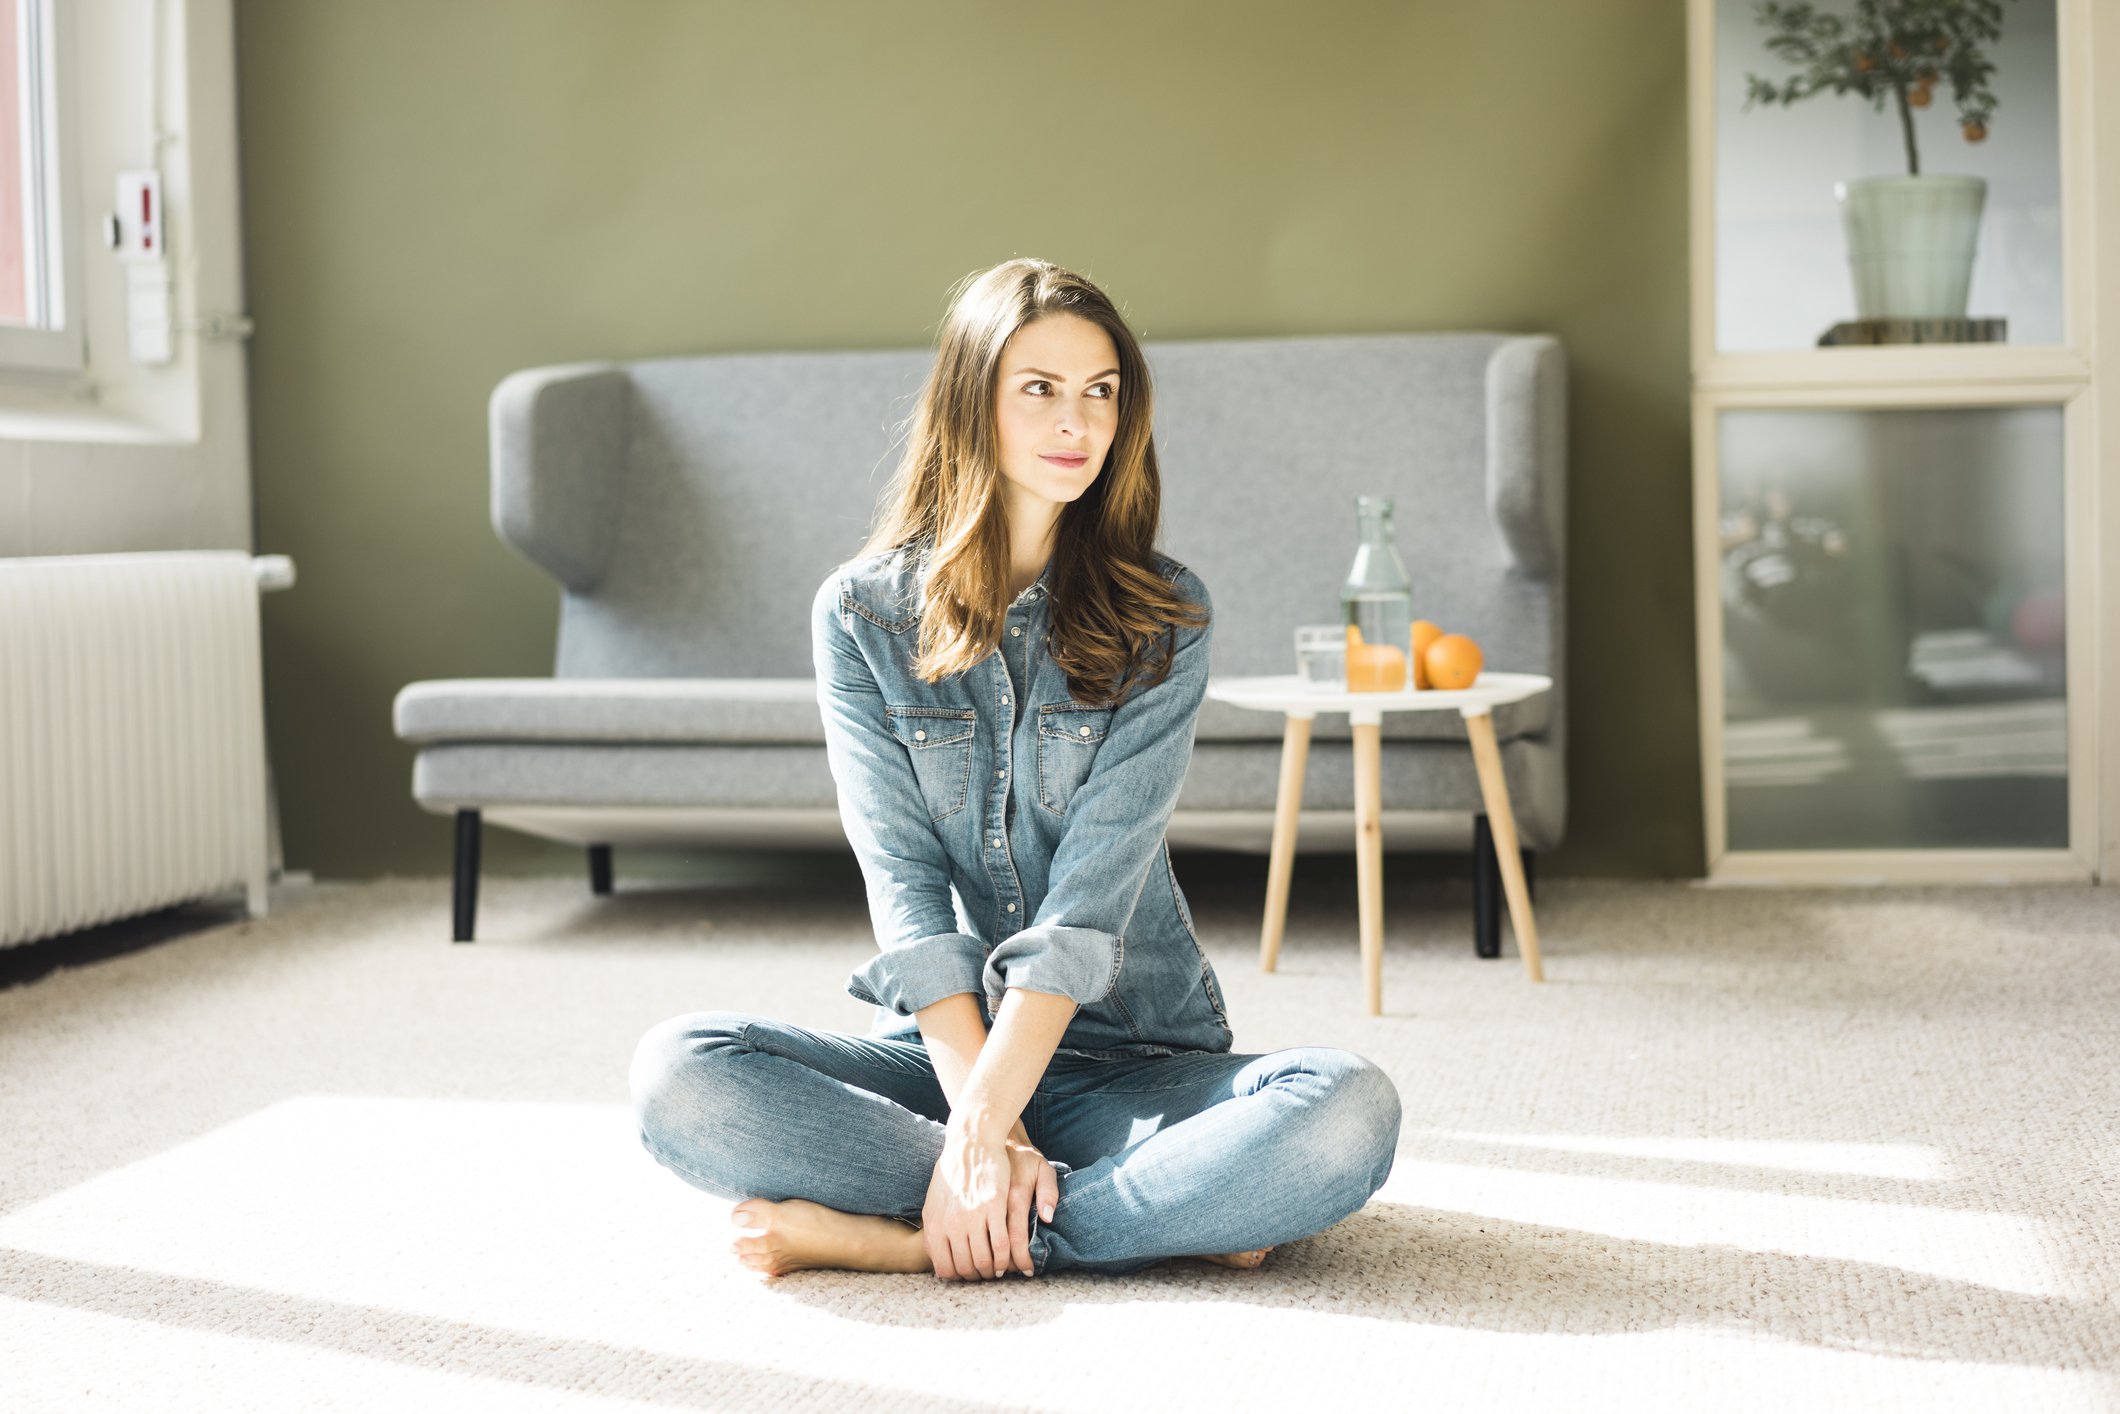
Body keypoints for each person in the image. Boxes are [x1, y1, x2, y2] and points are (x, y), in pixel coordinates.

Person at [628, 258, 1401, 1281]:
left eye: (1100, 391)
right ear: (971, 400)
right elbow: (903, 886)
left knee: (1344, 1109)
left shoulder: (1164, 616)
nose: (1074, 420)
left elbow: (1088, 903)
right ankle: (1144, 1212)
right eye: (1037, 387)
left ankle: (910, 1241)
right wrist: (977, 1116)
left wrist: (988, 1132)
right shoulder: (860, 615)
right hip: (937, 1058)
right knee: (678, 1075)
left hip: (1130, 1055)